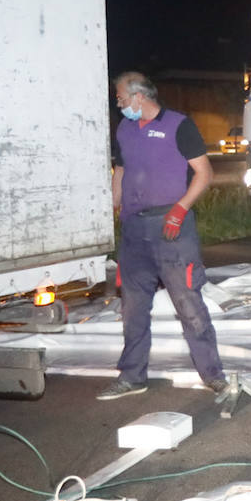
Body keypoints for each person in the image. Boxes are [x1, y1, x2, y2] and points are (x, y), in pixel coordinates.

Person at [100, 72, 228, 400]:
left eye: (121, 98)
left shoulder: (178, 125)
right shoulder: (125, 129)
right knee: (133, 307)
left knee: (188, 302)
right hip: (134, 230)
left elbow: (204, 173)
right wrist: (115, 205)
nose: (119, 104)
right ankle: (132, 376)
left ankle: (213, 375)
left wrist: (180, 209)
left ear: (139, 96)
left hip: (172, 228)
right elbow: (122, 169)